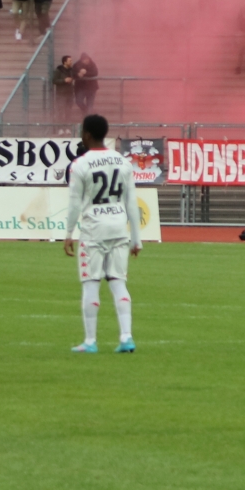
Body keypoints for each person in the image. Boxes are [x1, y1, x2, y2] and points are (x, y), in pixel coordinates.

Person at [65, 113, 143, 353]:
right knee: (119, 282)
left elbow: (74, 203)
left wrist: (68, 233)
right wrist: (136, 238)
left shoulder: (80, 164)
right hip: (119, 227)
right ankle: (126, 337)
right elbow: (132, 202)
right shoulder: (123, 161)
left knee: (91, 283)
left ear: (87, 134)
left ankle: (90, 341)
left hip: (93, 230)